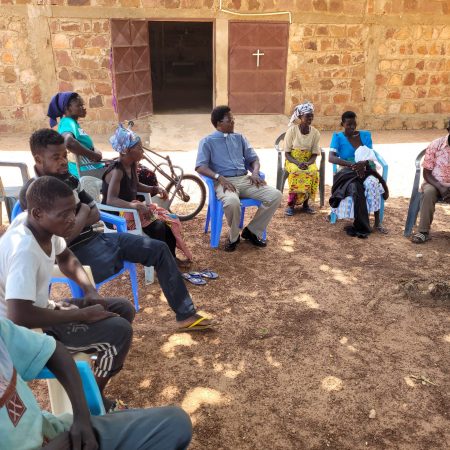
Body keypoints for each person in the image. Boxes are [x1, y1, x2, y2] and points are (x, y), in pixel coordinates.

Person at [21, 129, 212, 332]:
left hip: (97, 238)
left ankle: (185, 315)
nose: (63, 162)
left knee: (159, 248)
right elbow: (60, 241)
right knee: (117, 302)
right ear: (38, 159)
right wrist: (83, 212)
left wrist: (80, 218)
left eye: (64, 156)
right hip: (73, 254)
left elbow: (95, 213)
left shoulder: (70, 179)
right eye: (56, 157)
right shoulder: (34, 194)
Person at [0, 176, 134, 412]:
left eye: (73, 210)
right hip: (19, 336)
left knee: (123, 308)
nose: (73, 218)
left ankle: (95, 360)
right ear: (38, 213)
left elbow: (65, 257)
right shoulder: (24, 250)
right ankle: (95, 399)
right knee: (120, 332)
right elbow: (18, 316)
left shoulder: (40, 226)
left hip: (39, 311)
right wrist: (81, 315)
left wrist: (90, 291)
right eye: (64, 214)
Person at [0, 317, 192, 450]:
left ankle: (100, 399)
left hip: (57, 433)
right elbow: (20, 311)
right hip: (59, 443)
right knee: (119, 328)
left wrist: (82, 416)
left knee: (175, 423)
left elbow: (53, 350)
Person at [102, 124, 192, 265]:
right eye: (139, 148)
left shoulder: (132, 164)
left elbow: (136, 185)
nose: (142, 151)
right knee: (158, 227)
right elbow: (111, 200)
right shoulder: (117, 171)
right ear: (126, 151)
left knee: (168, 223)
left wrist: (154, 189)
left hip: (129, 210)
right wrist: (136, 206)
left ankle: (170, 259)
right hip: (115, 215)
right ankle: (161, 263)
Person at [196, 105, 282, 252]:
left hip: (245, 180)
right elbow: (200, 167)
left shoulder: (239, 138)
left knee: (275, 195)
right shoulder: (207, 142)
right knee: (232, 202)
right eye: (229, 120)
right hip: (224, 183)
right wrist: (219, 177)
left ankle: (252, 231)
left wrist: (255, 173)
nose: (233, 122)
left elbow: (253, 159)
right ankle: (234, 237)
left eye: (233, 119)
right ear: (219, 123)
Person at [328, 111, 389, 238]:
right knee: (354, 187)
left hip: (365, 167)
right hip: (347, 169)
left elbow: (370, 155)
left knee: (372, 184)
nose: (352, 127)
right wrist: (351, 164)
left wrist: (363, 164)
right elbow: (331, 157)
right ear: (342, 124)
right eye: (349, 124)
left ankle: (377, 222)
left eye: (354, 124)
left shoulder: (365, 135)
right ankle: (361, 223)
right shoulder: (337, 137)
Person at [47, 91, 105, 178]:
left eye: (83, 105)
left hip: (91, 167)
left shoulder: (73, 123)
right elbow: (68, 142)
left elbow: (83, 144)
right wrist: (94, 155)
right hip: (86, 171)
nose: (83, 108)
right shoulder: (67, 122)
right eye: (79, 106)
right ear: (67, 108)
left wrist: (94, 150)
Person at [411, 120, 450, 243]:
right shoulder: (436, 145)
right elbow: (426, 173)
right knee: (428, 192)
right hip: (434, 182)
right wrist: (441, 187)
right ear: (449, 130)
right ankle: (423, 232)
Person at [284, 102, 321, 216]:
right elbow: (287, 153)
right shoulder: (292, 131)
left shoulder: (315, 133)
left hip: (308, 160)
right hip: (292, 160)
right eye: (307, 116)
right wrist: (297, 163)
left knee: (313, 171)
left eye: (311, 116)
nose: (310, 118)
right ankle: (291, 205)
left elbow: (314, 153)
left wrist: (308, 163)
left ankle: (306, 204)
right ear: (300, 117)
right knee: (296, 171)